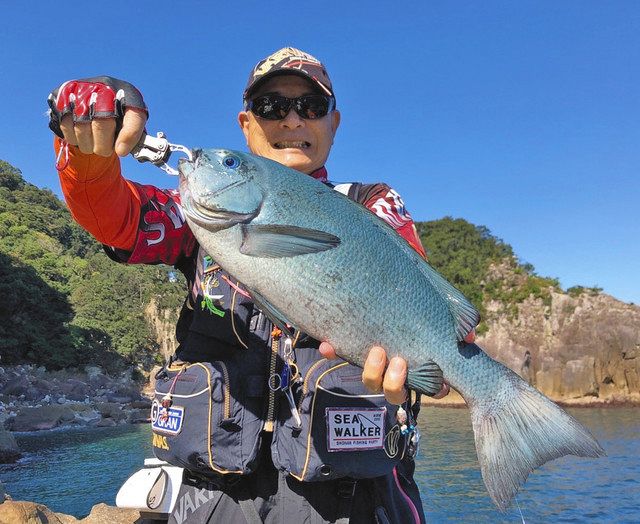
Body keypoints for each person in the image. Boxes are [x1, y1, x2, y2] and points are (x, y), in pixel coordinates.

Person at [48, 47, 458, 523]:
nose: (292, 120)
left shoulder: (372, 205)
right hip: (215, 498)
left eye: (311, 106)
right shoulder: (196, 216)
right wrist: (87, 147)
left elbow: (415, 290)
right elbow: (112, 215)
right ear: (246, 124)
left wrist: (433, 360)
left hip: (354, 498)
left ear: (334, 123)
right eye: (271, 107)